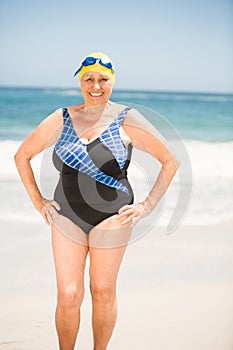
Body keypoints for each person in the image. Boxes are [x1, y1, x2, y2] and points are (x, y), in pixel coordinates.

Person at [14, 52, 178, 350]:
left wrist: (146, 206)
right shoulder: (61, 117)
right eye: (88, 78)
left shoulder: (128, 118)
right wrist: (39, 202)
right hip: (66, 215)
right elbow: (22, 155)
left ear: (112, 81)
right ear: (80, 81)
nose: (96, 85)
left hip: (113, 216)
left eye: (103, 79)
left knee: (102, 289)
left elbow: (169, 159)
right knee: (69, 294)